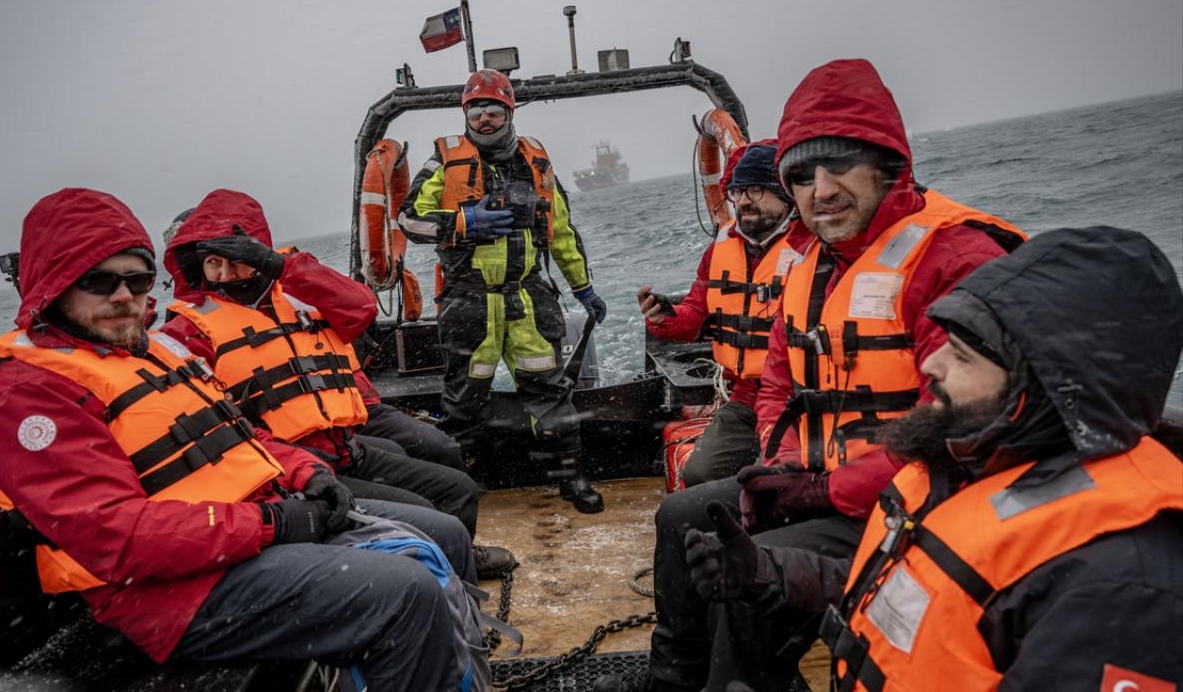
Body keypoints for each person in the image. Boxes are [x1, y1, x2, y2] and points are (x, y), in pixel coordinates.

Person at [596, 58, 1026, 692]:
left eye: (840, 165)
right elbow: (778, 383)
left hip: (923, 506)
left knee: (745, 576)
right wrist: (782, 463)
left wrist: (824, 492)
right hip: (829, 484)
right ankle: (675, 679)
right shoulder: (813, 264)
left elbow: (966, 436)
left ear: (889, 163)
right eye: (801, 174)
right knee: (685, 514)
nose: (820, 190)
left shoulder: (953, 259)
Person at [0, 188, 481, 690]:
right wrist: (274, 523)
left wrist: (306, 474)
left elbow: (237, 437)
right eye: (99, 281)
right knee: (405, 592)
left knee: (439, 535)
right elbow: (117, 539)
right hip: (170, 593)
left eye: (137, 281)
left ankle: (456, 668)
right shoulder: (26, 391)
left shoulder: (149, 353)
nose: (123, 296)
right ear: (53, 282)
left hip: (243, 531)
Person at [689, 226, 1183, 690]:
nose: (930, 363)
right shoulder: (973, 465)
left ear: (1043, 387)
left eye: (963, 357)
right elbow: (920, 590)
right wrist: (768, 573)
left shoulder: (1123, 588)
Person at [161, 189, 516, 578]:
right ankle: (440, 579)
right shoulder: (190, 328)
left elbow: (360, 306)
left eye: (237, 261)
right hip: (292, 460)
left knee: (454, 481)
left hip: (344, 436)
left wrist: (278, 266)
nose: (226, 274)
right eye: (214, 264)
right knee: (427, 513)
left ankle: (456, 561)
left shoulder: (293, 291)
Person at [398, 68, 606, 513]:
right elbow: (408, 219)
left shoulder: (537, 160)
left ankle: (571, 480)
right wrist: (462, 222)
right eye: (476, 110)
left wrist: (583, 289)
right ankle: (464, 488)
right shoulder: (442, 160)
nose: (485, 119)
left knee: (551, 394)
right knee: (462, 402)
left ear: (509, 112)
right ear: (465, 115)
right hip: (468, 300)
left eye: (494, 109)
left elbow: (562, 231)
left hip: (529, 297)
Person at [638, 140, 809, 486]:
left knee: (780, 481)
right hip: (746, 398)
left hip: (801, 400)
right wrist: (664, 319)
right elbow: (695, 314)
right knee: (699, 474)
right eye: (738, 191)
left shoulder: (813, 246)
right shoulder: (720, 249)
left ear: (786, 193)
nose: (744, 200)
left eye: (757, 190)